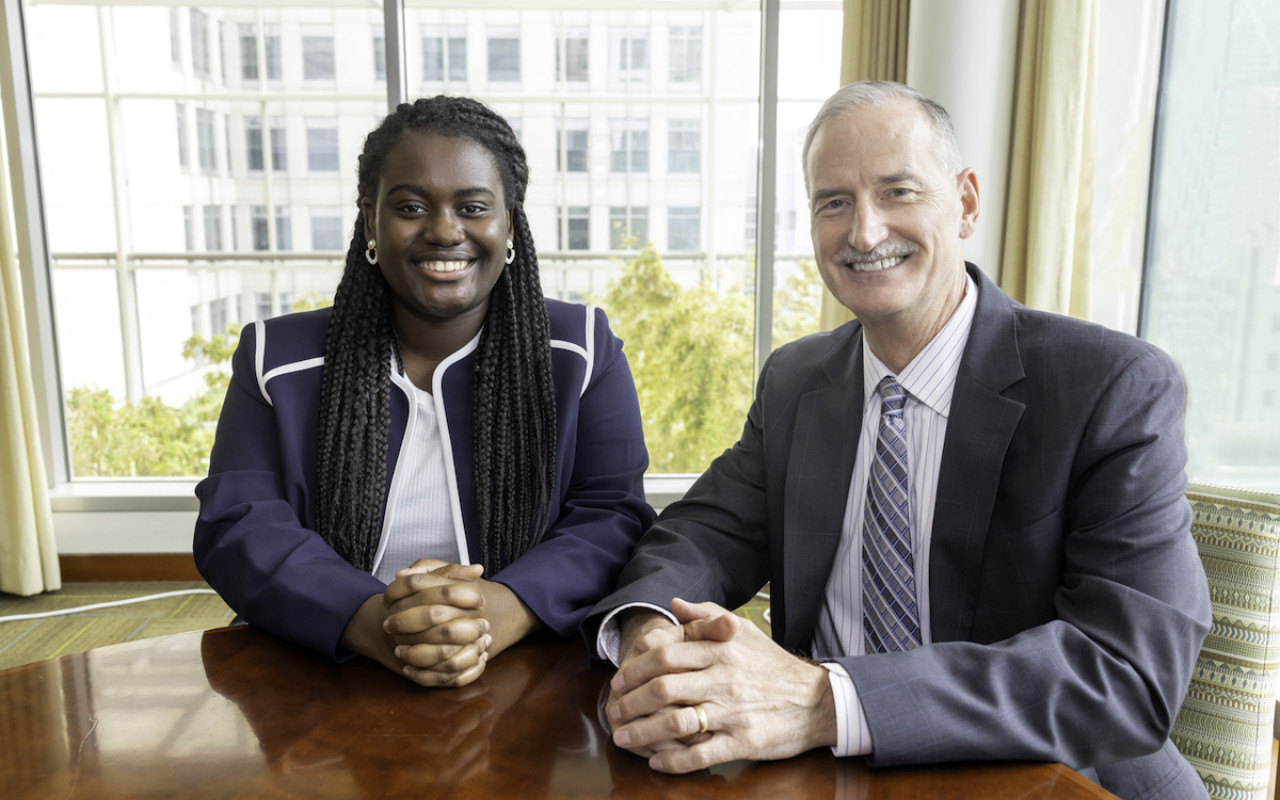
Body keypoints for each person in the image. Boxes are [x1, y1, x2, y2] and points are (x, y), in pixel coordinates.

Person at [582, 81, 1211, 800]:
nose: (865, 232)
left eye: (898, 192)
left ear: (966, 202)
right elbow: (702, 535)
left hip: (1059, 777)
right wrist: (649, 632)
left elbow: (1126, 673)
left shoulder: (1111, 387)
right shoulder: (797, 381)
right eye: (834, 202)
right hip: (824, 775)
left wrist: (826, 700)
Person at [195, 95, 655, 688]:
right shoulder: (275, 357)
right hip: (320, 660)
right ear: (370, 221)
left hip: (523, 662)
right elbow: (240, 526)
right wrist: (372, 619)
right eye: (411, 206)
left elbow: (611, 515)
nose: (444, 230)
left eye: (473, 207)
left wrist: (498, 610)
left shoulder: (581, 349)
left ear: (508, 222)